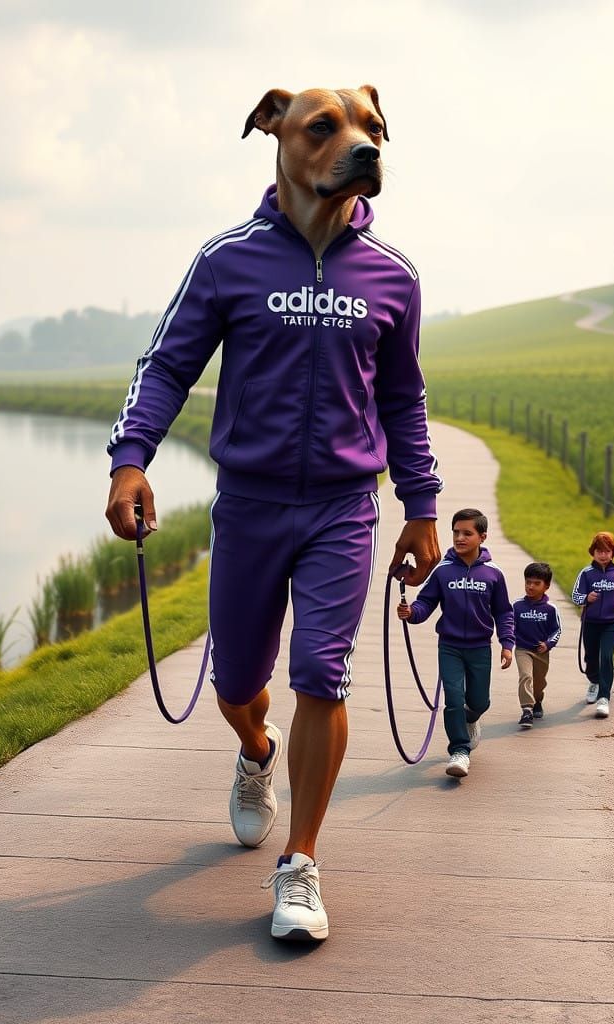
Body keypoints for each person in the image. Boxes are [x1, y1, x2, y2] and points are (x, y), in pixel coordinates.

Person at [104, 85, 442, 943]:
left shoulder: (392, 275)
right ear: (275, 134)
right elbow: (166, 366)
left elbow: (404, 399)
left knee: (323, 675)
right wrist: (131, 460)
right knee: (237, 685)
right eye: (327, 129)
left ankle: (300, 865)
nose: (357, 143)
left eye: (370, 130)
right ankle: (257, 751)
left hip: (343, 512)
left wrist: (422, 504)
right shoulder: (228, 260)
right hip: (249, 507)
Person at [397, 508, 513, 777]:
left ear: (482, 537)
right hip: (449, 646)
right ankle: (459, 751)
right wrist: (412, 612)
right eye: (456, 532)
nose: (459, 538)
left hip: (480, 647)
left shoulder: (493, 574)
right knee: (453, 699)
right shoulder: (443, 572)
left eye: (467, 533)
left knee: (479, 701)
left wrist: (507, 643)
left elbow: (504, 611)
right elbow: (426, 602)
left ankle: (471, 719)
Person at [571, 531, 614, 719]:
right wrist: (586, 598)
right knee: (591, 658)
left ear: (613, 552)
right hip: (590, 623)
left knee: (605, 657)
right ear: (593, 552)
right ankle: (594, 682)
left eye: (607, 551)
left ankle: (604, 698)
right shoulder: (586, 574)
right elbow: (575, 596)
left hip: (611, 624)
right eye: (599, 551)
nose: (603, 555)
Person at [512, 562, 562, 729]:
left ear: (546, 586)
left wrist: (548, 644)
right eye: (528, 582)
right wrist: (508, 641)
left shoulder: (550, 609)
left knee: (539, 683)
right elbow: (509, 626)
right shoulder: (517, 606)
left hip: (541, 651)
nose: (531, 586)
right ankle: (527, 710)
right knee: (526, 676)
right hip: (522, 649)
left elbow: (556, 630)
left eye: (536, 583)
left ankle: (537, 700)